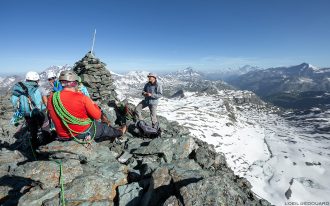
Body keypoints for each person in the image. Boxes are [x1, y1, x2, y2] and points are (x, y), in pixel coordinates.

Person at [47, 70, 126, 142]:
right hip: (80, 133)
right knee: (103, 128)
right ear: (74, 83)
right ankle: (120, 132)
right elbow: (97, 116)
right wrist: (92, 103)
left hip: (61, 134)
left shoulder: (52, 98)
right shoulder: (81, 98)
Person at [11, 71, 51, 151]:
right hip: (40, 111)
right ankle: (47, 144)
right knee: (45, 127)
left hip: (26, 113)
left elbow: (14, 101)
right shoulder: (39, 88)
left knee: (33, 129)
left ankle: (34, 145)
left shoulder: (19, 88)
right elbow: (45, 101)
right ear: (36, 80)